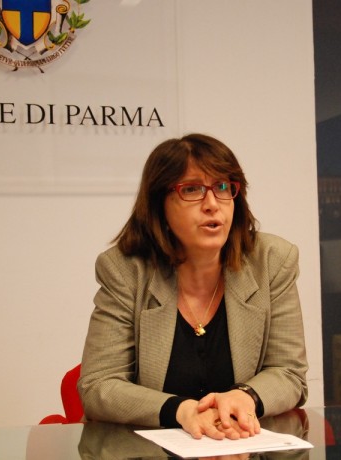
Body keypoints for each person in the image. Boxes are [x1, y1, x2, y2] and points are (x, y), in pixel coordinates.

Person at [78, 133, 308, 440]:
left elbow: (289, 373)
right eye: (192, 190)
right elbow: (99, 385)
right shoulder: (125, 270)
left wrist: (245, 397)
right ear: (159, 205)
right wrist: (181, 410)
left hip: (241, 447)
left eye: (223, 187)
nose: (212, 204)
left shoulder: (272, 261)